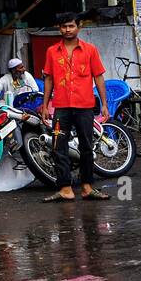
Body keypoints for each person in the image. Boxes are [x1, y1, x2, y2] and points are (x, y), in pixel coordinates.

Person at [40, 13, 110, 203]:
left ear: (78, 27)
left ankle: (87, 187)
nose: (67, 30)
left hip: (85, 106)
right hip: (60, 107)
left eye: (71, 26)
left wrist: (104, 104)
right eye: (64, 27)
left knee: (86, 147)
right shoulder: (52, 51)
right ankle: (65, 189)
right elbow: (49, 79)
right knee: (57, 147)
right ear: (59, 28)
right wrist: (45, 105)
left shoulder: (90, 50)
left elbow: (99, 77)